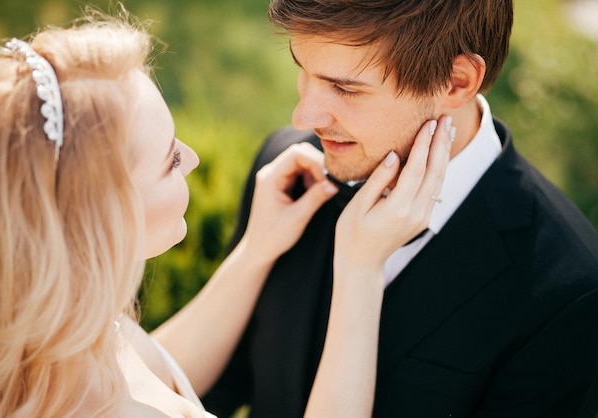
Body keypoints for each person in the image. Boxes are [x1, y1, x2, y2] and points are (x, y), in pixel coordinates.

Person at [0, 8, 452, 418]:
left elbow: (149, 372)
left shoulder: (62, 331)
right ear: (105, 216)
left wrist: (256, 252)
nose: (192, 158)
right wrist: (359, 268)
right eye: (170, 161)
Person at [203, 1, 598, 417]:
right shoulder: (286, 173)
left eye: (345, 88)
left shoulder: (566, 292)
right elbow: (199, 397)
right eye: (304, 71)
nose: (304, 117)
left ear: (456, 83)